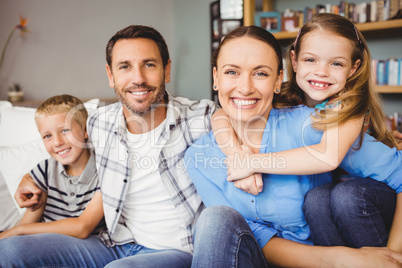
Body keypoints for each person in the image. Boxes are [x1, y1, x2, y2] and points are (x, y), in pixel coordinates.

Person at [184, 25, 402, 267]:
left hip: (323, 252)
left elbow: (398, 172)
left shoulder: (314, 126)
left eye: (261, 74)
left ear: (278, 80)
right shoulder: (197, 157)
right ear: (216, 78)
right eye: (232, 72)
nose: (245, 87)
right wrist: (339, 259)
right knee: (214, 219)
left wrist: (392, 253)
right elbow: (248, 234)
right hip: (257, 259)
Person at [3, 25, 216, 268]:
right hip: (116, 243)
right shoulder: (98, 123)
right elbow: (65, 151)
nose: (138, 78)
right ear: (110, 75)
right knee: (9, 251)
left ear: (167, 70)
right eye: (125, 66)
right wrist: (29, 177)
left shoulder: (201, 117)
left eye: (149, 64)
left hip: (176, 251)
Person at [0, 94, 103, 240]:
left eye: (65, 130)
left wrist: (18, 230)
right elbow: (27, 224)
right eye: (48, 136)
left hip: (86, 246)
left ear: (85, 130)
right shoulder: (46, 170)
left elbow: (82, 228)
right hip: (40, 242)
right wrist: (18, 231)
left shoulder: (104, 171)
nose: (57, 142)